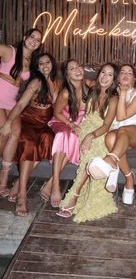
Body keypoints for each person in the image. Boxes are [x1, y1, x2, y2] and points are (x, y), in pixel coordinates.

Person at [57, 63, 119, 222]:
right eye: (103, 73)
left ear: (114, 79)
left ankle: (75, 196)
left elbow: (106, 125)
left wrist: (91, 136)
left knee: (93, 152)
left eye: (110, 75)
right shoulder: (92, 89)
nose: (105, 77)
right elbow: (73, 85)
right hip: (86, 126)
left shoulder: (113, 98)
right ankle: (76, 197)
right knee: (91, 153)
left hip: (101, 130)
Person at [0, 52, 60, 216]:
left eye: (47, 62)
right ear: (37, 67)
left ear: (52, 64)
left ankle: (19, 182)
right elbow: (19, 105)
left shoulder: (57, 82)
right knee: (30, 142)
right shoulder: (36, 82)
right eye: (41, 64)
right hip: (29, 120)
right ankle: (22, 196)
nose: (45, 66)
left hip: (45, 123)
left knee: (50, 139)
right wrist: (8, 122)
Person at [87, 64, 136, 205]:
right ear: (117, 78)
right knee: (110, 137)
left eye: (130, 73)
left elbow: (122, 117)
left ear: (134, 79)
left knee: (121, 132)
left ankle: (110, 161)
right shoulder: (113, 92)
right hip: (120, 132)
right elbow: (93, 83)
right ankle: (129, 178)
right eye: (122, 72)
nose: (125, 74)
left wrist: (123, 92)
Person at [0, 28, 42, 197]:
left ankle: (3, 182)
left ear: (39, 45)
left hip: (11, 102)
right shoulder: (9, 51)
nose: (34, 40)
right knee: (5, 131)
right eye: (32, 36)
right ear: (25, 37)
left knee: (16, 131)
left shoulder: (33, 62)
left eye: (38, 40)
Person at [40, 60, 88, 208]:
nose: (78, 70)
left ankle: (49, 182)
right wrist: (71, 124)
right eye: (72, 69)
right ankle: (55, 185)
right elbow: (56, 113)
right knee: (63, 136)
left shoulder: (89, 86)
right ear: (67, 75)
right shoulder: (66, 92)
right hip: (63, 120)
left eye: (79, 66)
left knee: (74, 137)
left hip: (80, 123)